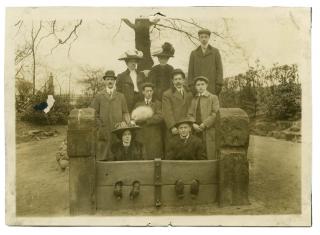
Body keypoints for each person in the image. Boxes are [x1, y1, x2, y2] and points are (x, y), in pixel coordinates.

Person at [90, 70, 130, 160]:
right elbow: (93, 113)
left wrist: (124, 122)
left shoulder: (121, 96)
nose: (110, 81)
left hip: (117, 131)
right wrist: (100, 126)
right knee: (103, 155)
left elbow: (125, 112)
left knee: (117, 155)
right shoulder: (99, 96)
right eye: (108, 79)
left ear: (115, 81)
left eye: (112, 79)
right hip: (104, 131)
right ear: (105, 81)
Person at [188, 76, 220, 160]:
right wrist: (193, 124)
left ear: (206, 85)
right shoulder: (194, 99)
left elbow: (215, 113)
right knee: (197, 152)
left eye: (202, 84)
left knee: (209, 153)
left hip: (208, 130)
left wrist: (204, 124)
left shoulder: (213, 98)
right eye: (198, 85)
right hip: (196, 131)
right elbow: (189, 114)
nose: (200, 86)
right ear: (195, 87)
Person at [162, 69, 193, 151]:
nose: (178, 81)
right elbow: (167, 112)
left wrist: (191, 124)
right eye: (175, 79)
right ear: (172, 81)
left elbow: (192, 109)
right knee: (175, 150)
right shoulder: (167, 94)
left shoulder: (189, 93)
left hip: (187, 127)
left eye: (180, 79)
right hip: (175, 128)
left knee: (188, 150)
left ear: (183, 80)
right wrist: (172, 127)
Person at [132, 83, 164, 160]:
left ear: (153, 92)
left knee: (154, 156)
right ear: (143, 92)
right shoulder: (138, 105)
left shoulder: (158, 104)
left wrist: (146, 120)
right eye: (147, 91)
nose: (149, 93)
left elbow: (160, 117)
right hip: (141, 135)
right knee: (142, 156)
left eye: (150, 91)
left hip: (154, 135)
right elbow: (133, 118)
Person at [187, 28, 223, 95]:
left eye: (206, 37)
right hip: (198, 87)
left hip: (212, 87)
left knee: (212, 104)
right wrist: (191, 85)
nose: (204, 39)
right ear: (199, 38)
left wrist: (219, 84)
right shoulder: (194, 53)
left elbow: (219, 69)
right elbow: (190, 71)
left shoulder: (215, 52)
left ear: (209, 38)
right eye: (202, 37)